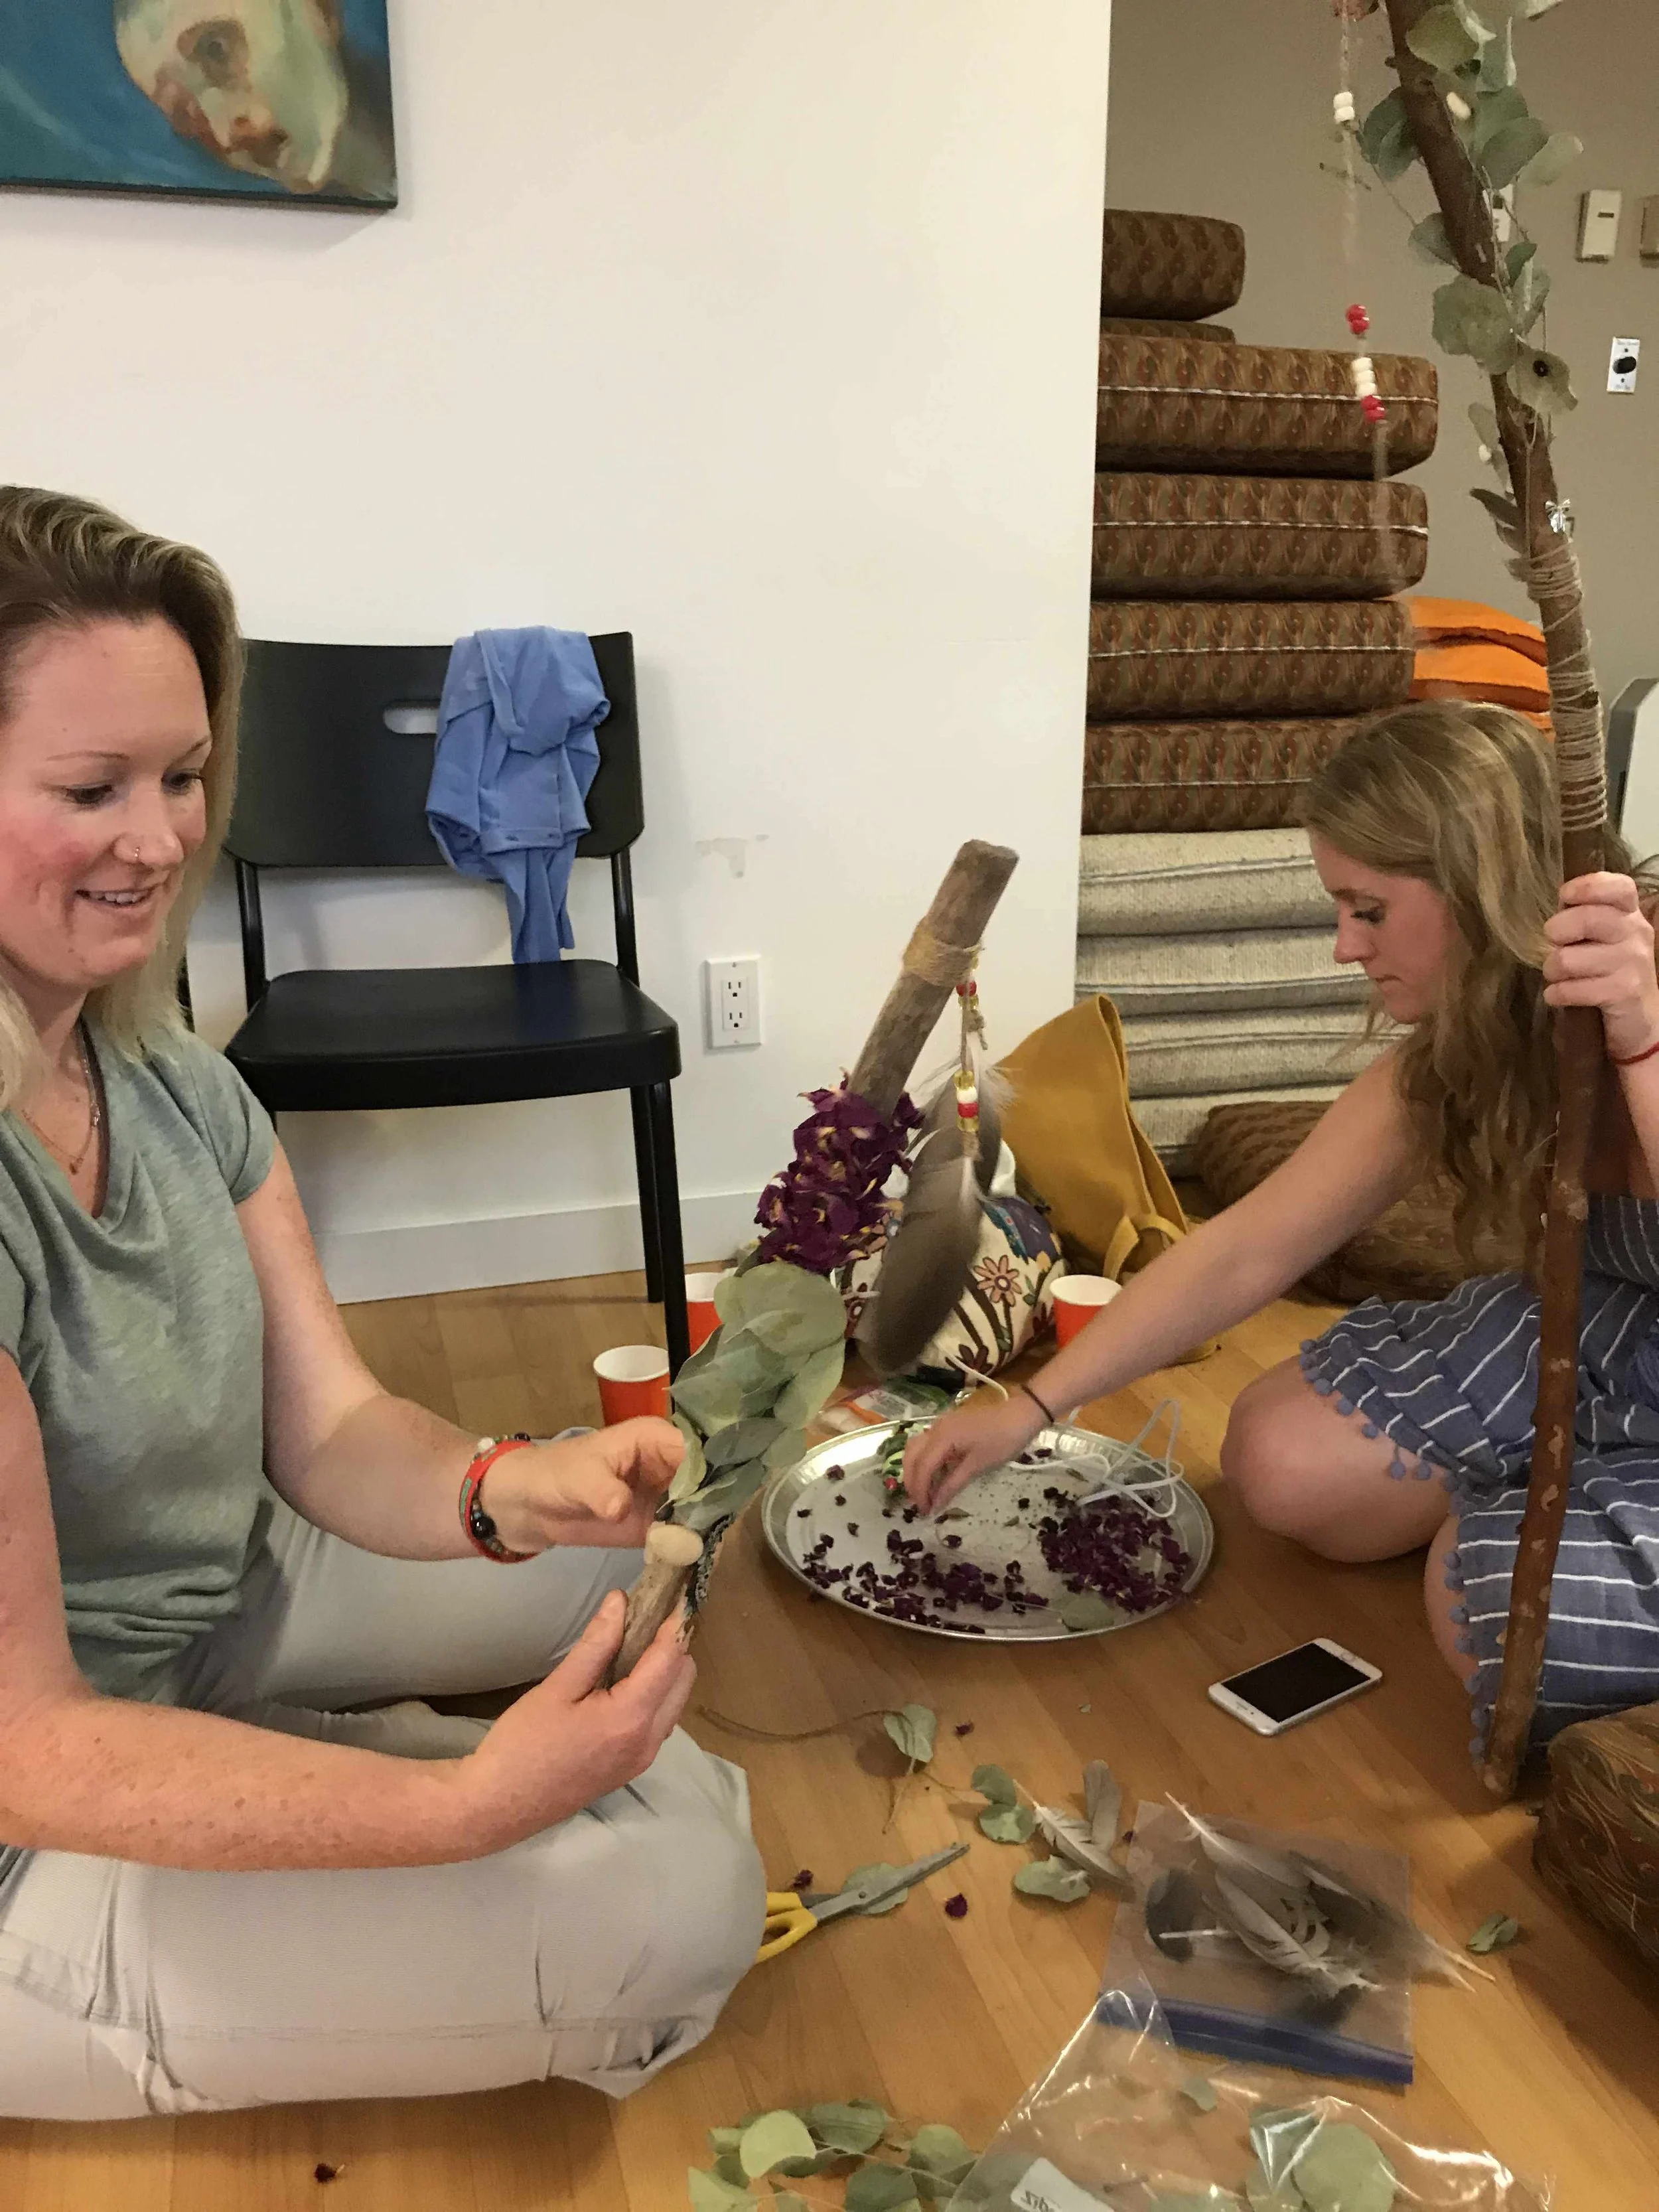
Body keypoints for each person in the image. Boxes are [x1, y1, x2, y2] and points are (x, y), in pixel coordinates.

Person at [0, 485, 763, 2121]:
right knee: (678, 1906)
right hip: (30, 1805)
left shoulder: (158, 1071)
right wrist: (460, 1810)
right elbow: (29, 1741)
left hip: (191, 1609)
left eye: (185, 774)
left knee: (623, 1556)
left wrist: (498, 1486)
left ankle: (333, 1764)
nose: (163, 839)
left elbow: (331, 1423)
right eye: (91, 788)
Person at [908, 701, 1659, 1761]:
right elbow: (1252, 1244)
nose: (1344, 947)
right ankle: (1543, 1477)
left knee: (1478, 1599)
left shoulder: (1640, 989)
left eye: (1369, 910)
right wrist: (1031, 1403)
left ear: (1480, 889)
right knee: (1278, 1463)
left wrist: (1642, 1050)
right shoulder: (1460, 1049)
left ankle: (1539, 1510)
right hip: (1589, 1327)